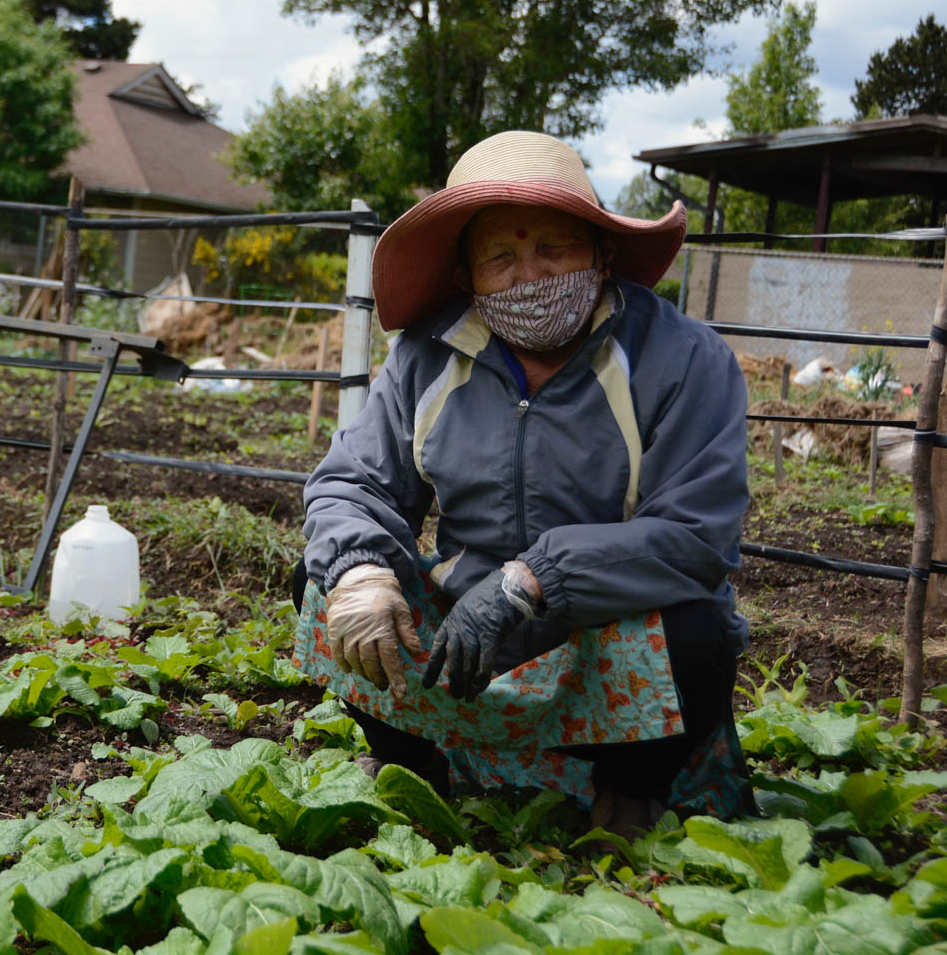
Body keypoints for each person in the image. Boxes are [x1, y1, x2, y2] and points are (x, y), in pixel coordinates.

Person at [292, 130, 752, 834]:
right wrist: (361, 570)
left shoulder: (685, 359)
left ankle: (631, 792)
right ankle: (414, 768)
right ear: (467, 276)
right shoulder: (428, 354)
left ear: (601, 253)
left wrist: (531, 579)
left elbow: (696, 537)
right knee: (326, 582)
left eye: (554, 249)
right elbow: (351, 481)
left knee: (697, 628)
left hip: (601, 634)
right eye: (500, 256)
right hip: (462, 640)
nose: (528, 276)